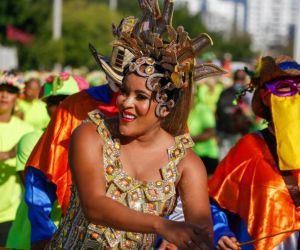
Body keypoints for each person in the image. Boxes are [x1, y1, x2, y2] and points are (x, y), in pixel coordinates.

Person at [46, 0, 226, 249]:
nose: (125, 103)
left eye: (140, 97)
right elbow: (94, 206)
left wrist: (181, 243)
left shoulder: (186, 163)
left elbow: (201, 233)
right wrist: (161, 226)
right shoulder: (91, 135)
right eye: (123, 91)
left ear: (166, 107)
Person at [24, 17, 135, 249]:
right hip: (80, 234)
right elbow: (41, 173)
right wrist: (42, 234)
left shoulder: (161, 113)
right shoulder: (75, 107)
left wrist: (169, 234)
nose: (124, 96)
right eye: (117, 82)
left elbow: (177, 180)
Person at [209, 55, 300, 249]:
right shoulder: (249, 149)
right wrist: (219, 231)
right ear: (266, 97)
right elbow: (213, 201)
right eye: (286, 87)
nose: (296, 94)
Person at [5, 73, 82, 250]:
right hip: (31, 240)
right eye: (54, 101)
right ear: (46, 107)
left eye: (67, 99)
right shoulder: (32, 140)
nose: (62, 105)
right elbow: (41, 196)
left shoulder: (92, 139)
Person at [0, 71, 34, 246]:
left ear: (17, 96)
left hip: (10, 214)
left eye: (10, 91)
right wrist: (6, 155)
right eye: (1, 89)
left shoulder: (26, 131)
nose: (4, 95)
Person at [216, 69, 255, 159]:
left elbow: (218, 113)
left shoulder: (246, 94)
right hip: (229, 134)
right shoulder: (247, 93)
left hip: (237, 134)